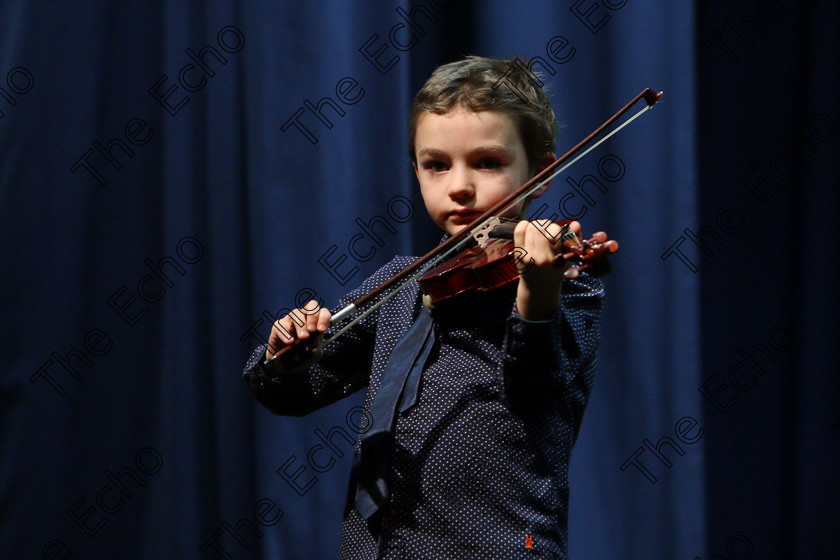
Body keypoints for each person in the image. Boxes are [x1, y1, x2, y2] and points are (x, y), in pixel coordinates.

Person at [243, 55, 617, 560]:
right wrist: (286, 355)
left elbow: (536, 393)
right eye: (437, 165)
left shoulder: (568, 286)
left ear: (542, 172)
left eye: (487, 162)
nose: (459, 186)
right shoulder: (403, 283)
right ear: (416, 171)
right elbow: (289, 394)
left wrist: (536, 295)